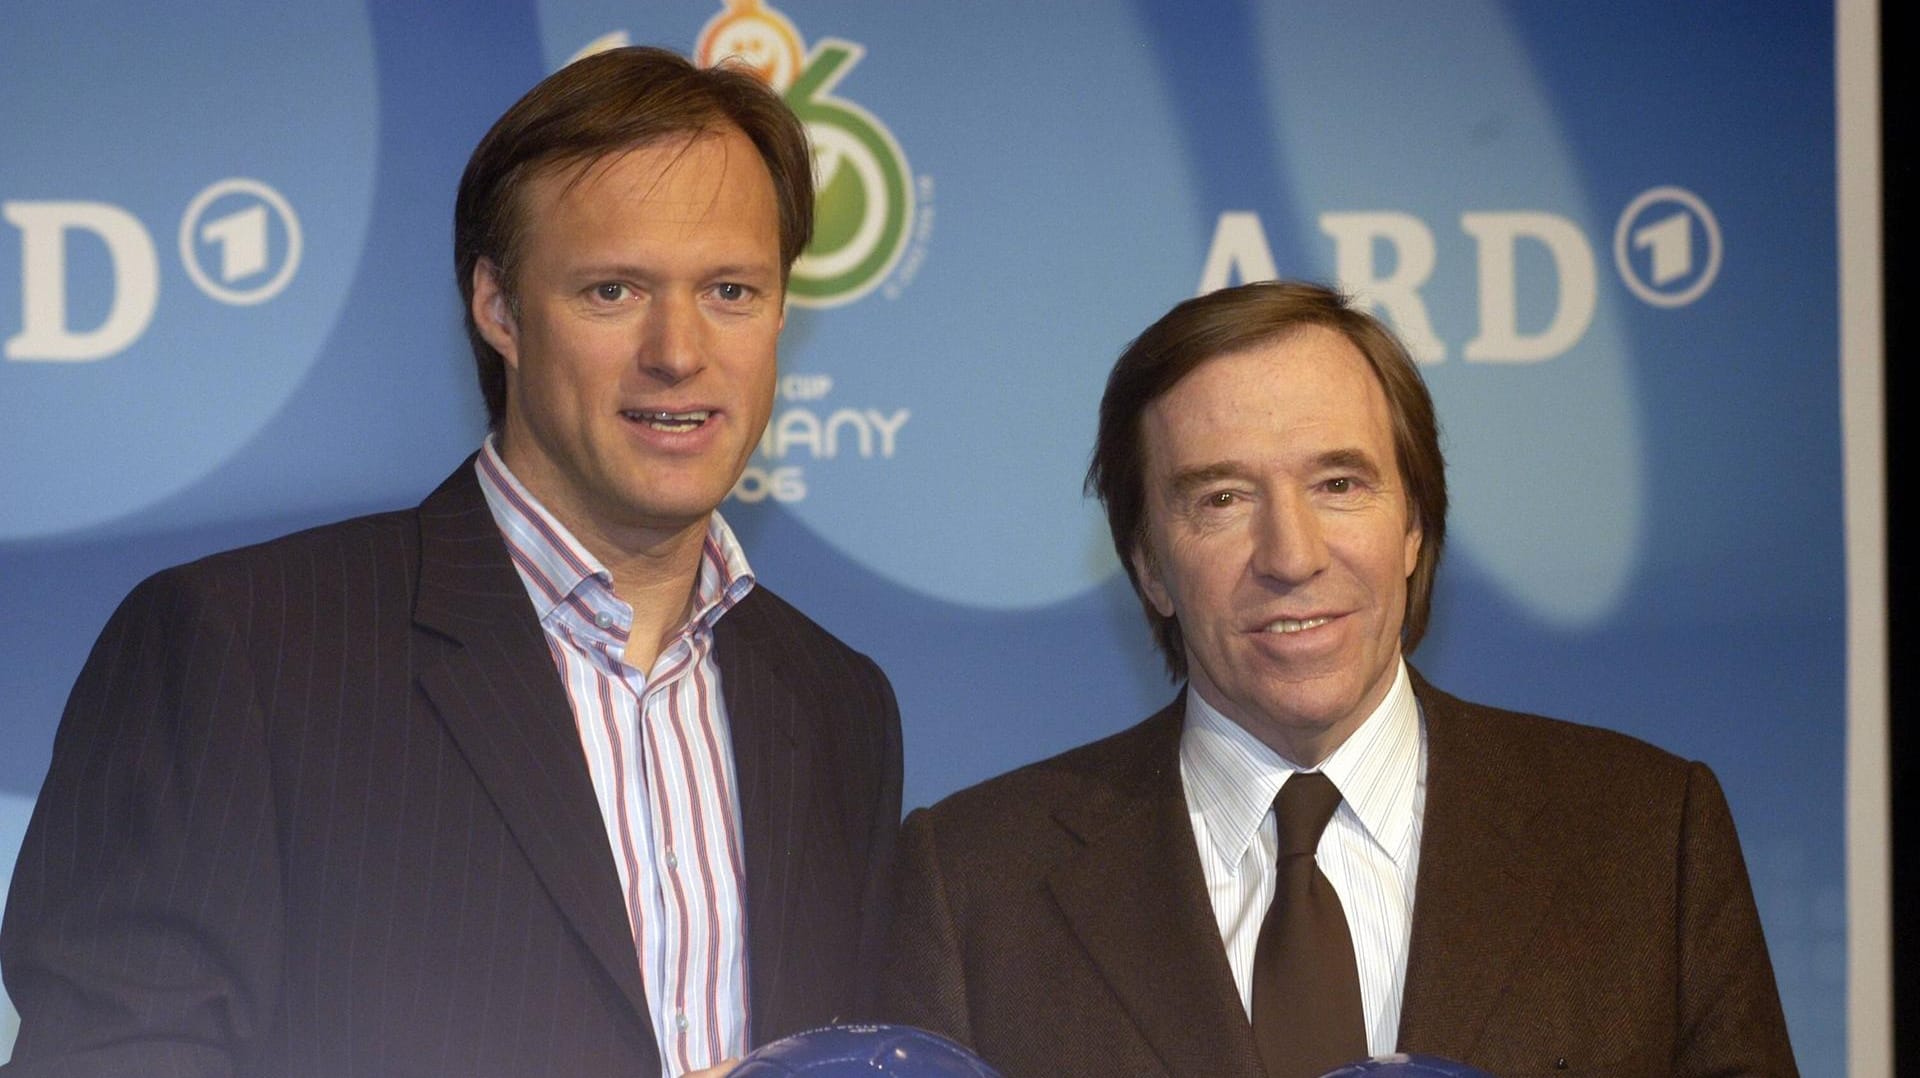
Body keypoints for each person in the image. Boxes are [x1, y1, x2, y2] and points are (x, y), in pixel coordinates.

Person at [0, 46, 900, 1078]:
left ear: (784, 310)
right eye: (612, 291)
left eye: (732, 290)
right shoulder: (241, 648)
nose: (679, 350)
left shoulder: (838, 707)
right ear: (499, 309)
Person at [877, 281, 1795, 1078]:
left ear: (1414, 529)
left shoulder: (1644, 837)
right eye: (1223, 499)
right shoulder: (975, 887)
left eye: (1340, 485)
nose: (1292, 555)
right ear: (1149, 565)